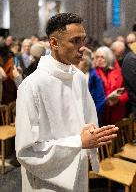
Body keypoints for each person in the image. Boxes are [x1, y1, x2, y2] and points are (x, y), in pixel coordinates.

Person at [15, 13, 118, 192]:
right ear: (54, 43)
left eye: (83, 40)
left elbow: (87, 119)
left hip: (77, 168)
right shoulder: (32, 85)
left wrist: (91, 131)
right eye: (75, 41)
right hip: (46, 182)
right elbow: (26, 151)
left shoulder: (78, 77)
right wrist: (79, 142)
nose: (83, 48)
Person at [95, 46, 128, 125]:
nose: (99, 59)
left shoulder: (118, 71)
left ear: (108, 58)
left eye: (102, 57)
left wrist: (118, 100)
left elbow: (126, 92)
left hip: (117, 110)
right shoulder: (94, 73)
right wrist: (105, 101)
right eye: (97, 57)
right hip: (101, 111)